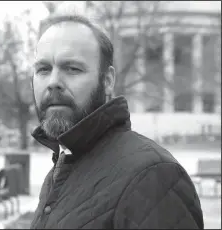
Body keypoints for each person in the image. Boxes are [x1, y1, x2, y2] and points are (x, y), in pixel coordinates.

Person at [30, 14, 204, 229]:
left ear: (108, 80)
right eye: (43, 69)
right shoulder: (63, 166)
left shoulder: (153, 176)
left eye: (72, 69)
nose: (53, 82)